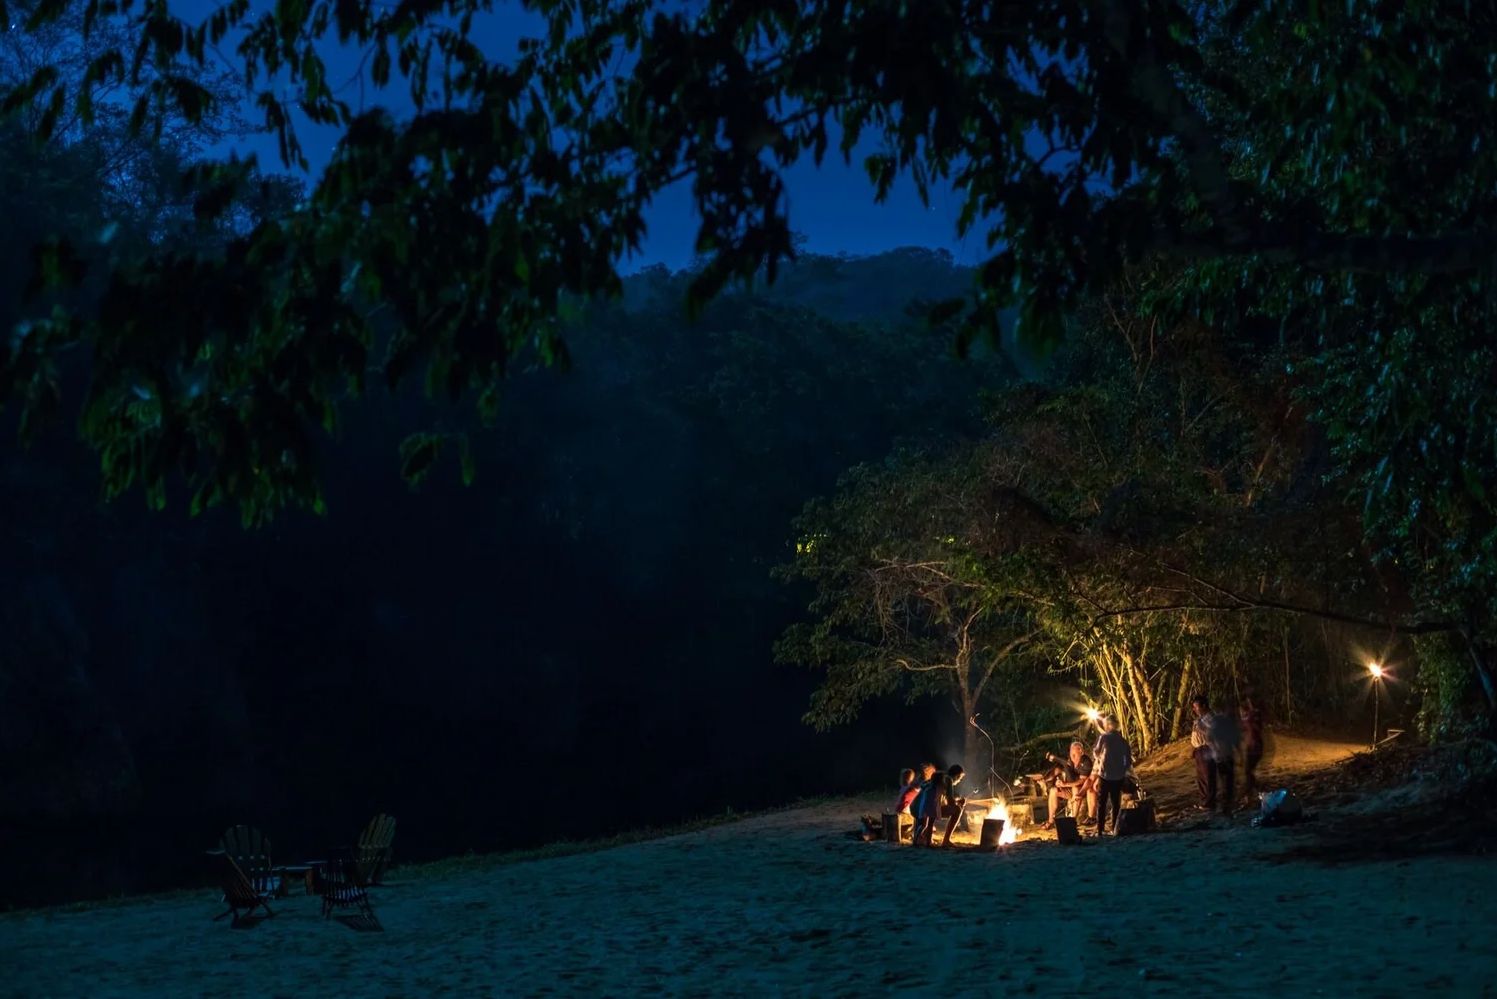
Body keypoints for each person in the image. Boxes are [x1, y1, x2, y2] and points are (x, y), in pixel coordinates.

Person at [1091, 716, 1132, 836]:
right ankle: (1115, 828)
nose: (1103, 727)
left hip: (1105, 775)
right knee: (1116, 803)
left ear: (1109, 725)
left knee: (1101, 803)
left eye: (1104, 725)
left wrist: (1100, 758)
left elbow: (1096, 752)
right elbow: (1128, 761)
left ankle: (1100, 830)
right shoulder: (1123, 741)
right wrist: (1122, 770)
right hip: (1118, 776)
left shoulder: (1104, 737)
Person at [1041, 741, 1095, 829]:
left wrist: (1065, 784)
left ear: (1081, 752)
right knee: (1053, 790)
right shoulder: (1069, 761)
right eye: (1071, 754)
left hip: (1082, 791)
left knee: (1075, 788)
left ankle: (1072, 820)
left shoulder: (1086, 762)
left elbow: (1082, 781)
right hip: (1069, 789)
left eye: (1074, 755)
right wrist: (1058, 781)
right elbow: (1060, 768)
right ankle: (1050, 821)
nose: (1072, 757)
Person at [1190, 694, 1217, 811]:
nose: (1195, 710)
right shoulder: (1200, 719)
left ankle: (1209, 803)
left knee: (1208, 776)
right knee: (1201, 777)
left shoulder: (1211, 718)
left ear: (1204, 706)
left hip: (1207, 748)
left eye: (1197, 707)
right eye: (1194, 707)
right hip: (1199, 749)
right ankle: (1204, 801)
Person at [1240, 688, 1265, 802]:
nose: (1248, 702)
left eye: (1249, 700)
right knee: (1248, 771)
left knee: (1248, 771)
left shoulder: (1256, 713)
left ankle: (1252, 794)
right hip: (1251, 745)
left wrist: (1246, 717)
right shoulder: (1249, 714)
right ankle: (1255, 792)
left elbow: (1255, 726)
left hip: (1255, 745)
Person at [909, 762, 939, 846]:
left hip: (915, 807)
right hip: (920, 808)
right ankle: (917, 839)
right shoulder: (928, 784)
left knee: (919, 823)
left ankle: (919, 838)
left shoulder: (922, 783)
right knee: (923, 824)